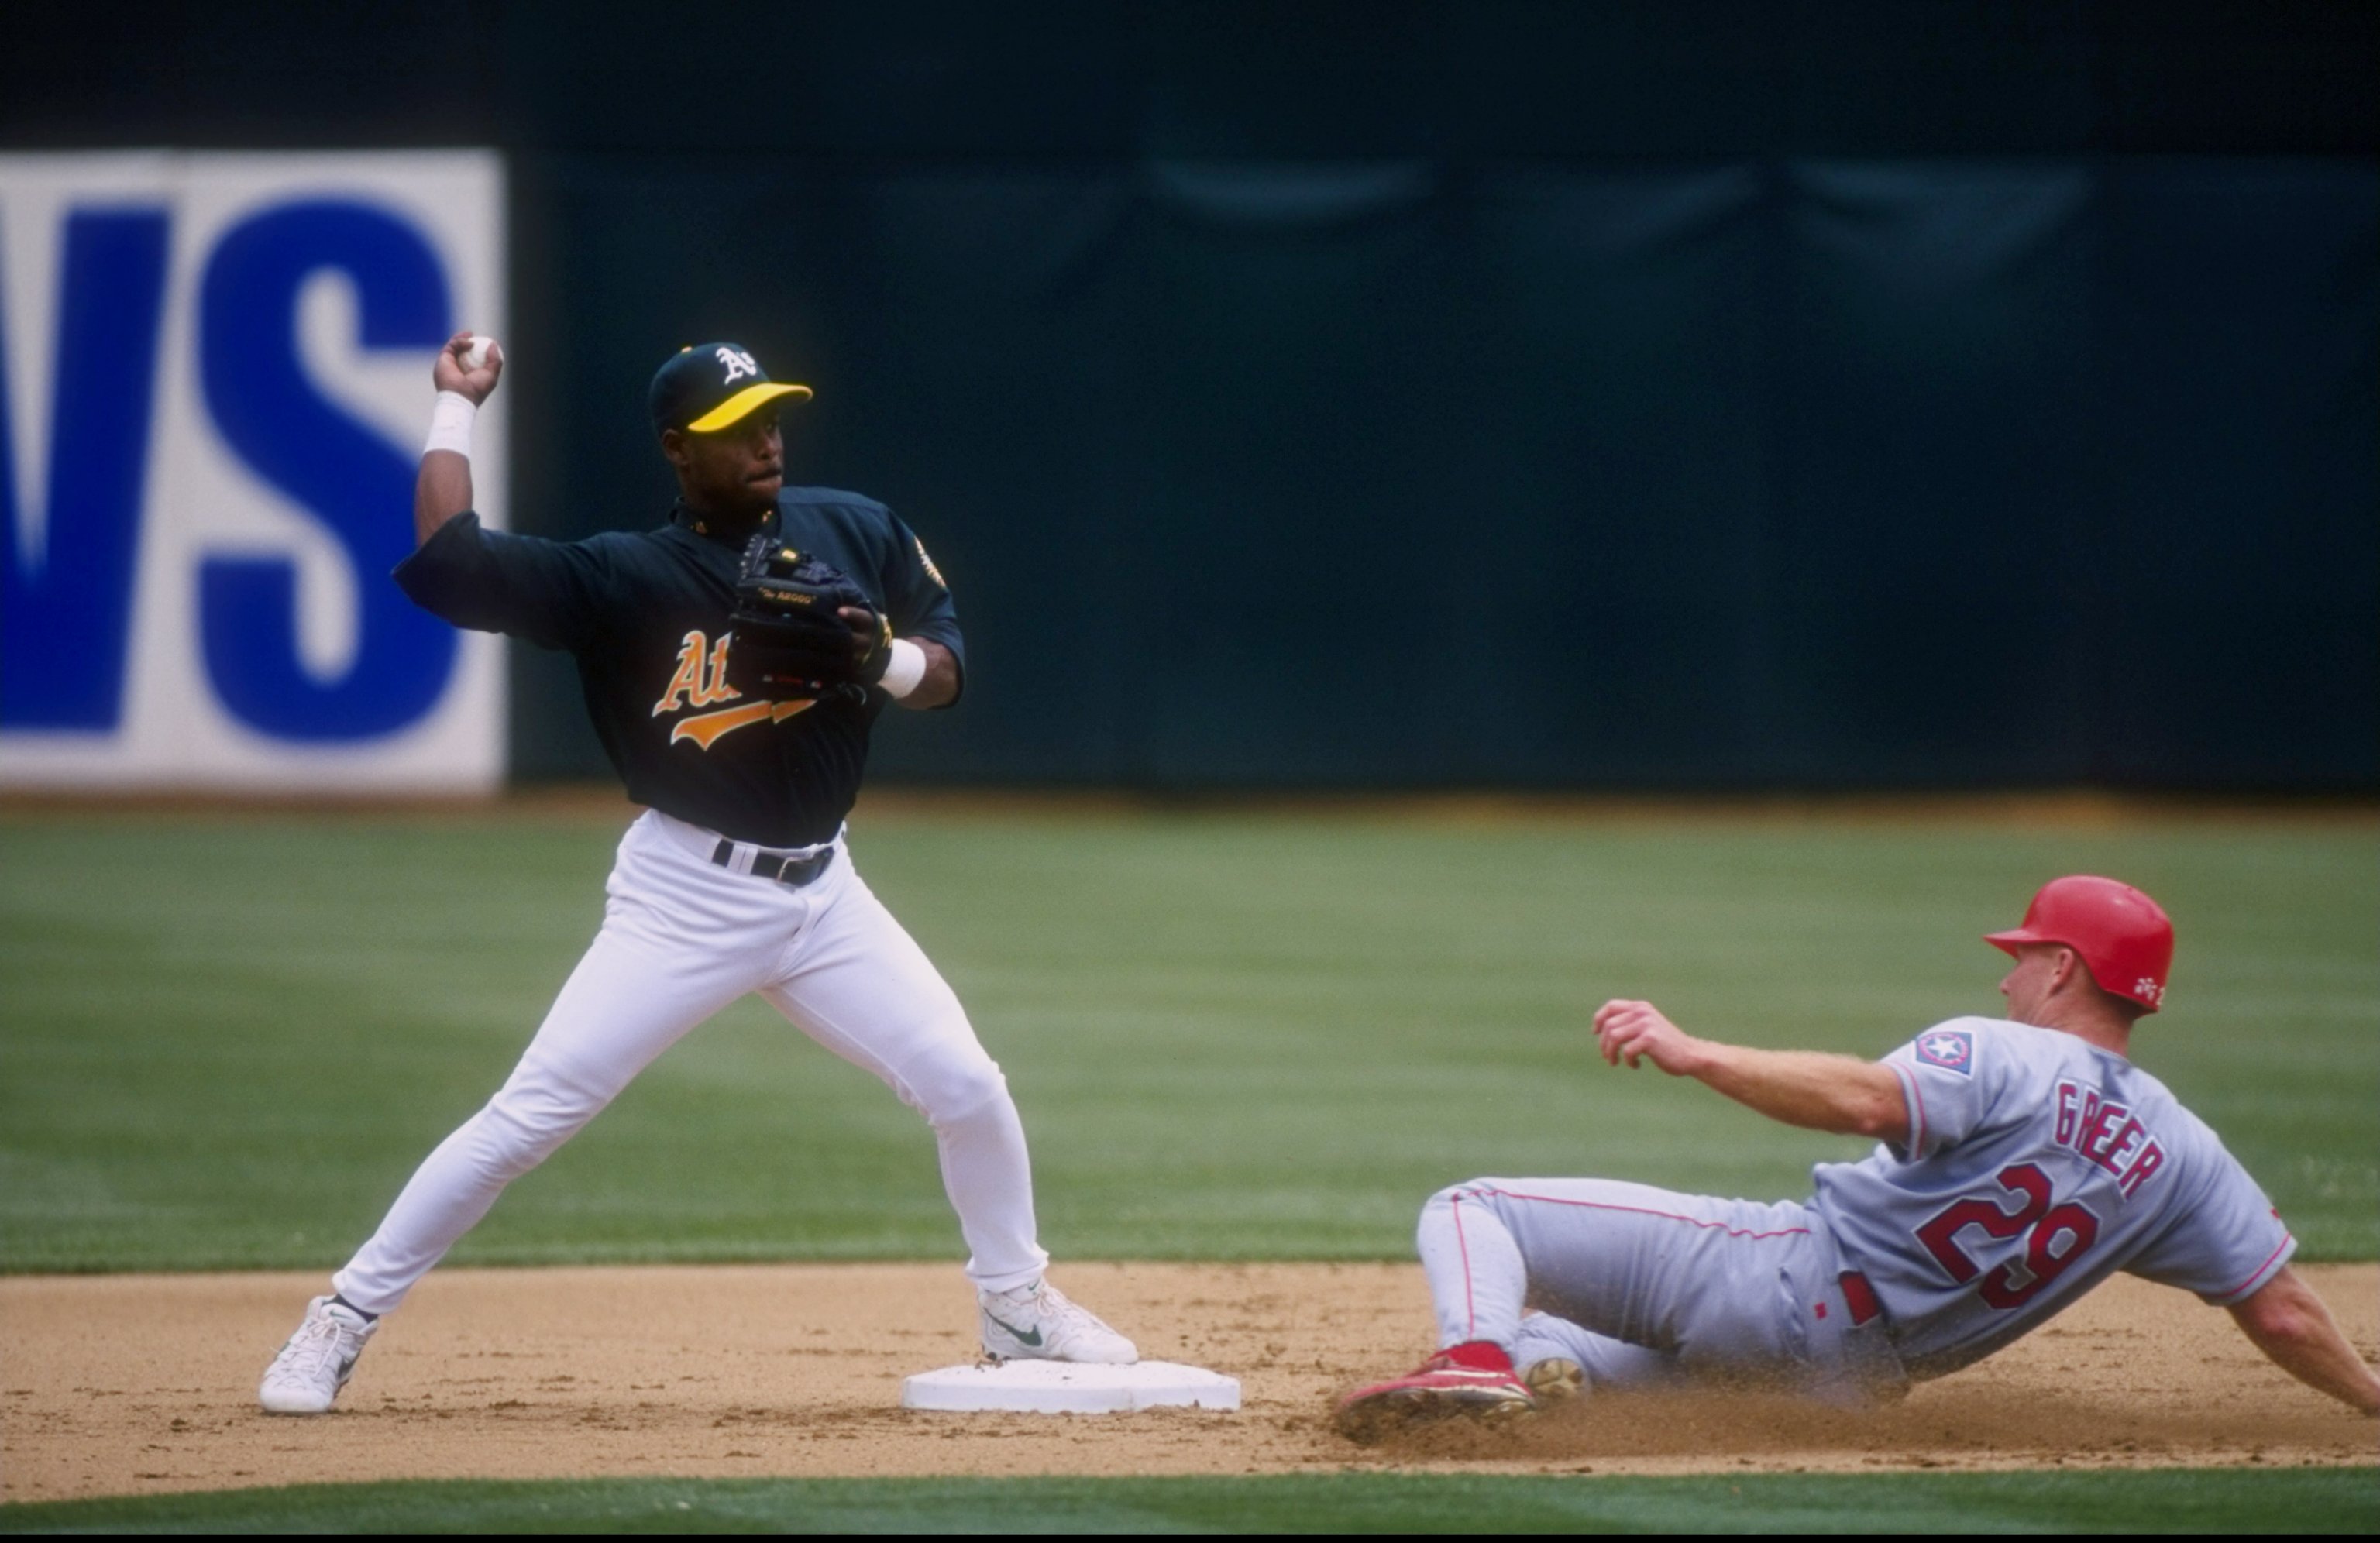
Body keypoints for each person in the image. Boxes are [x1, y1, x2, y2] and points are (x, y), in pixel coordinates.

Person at [260, 334, 1135, 1415]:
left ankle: (1015, 1301)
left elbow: (947, 667)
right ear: (679, 449)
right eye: (734, 428)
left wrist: (881, 658)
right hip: (685, 896)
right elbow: (450, 561)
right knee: (530, 1117)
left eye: (771, 416)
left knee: (968, 1086)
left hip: (825, 895)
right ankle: (341, 1315)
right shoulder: (623, 576)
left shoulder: (852, 527)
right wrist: (454, 405)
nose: (765, 440)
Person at [1334, 875, 2380, 1439]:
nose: (2009, 976)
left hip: (1777, 1281)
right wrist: (2375, 1405)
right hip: (1843, 1389)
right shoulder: (2185, 1155)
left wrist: (1697, 1052)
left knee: (1474, 1209)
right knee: (1549, 1353)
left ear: (2066, 967)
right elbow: (2282, 1311)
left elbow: (1863, 1100)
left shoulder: (2006, 1050)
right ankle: (1512, 1381)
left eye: (2022, 957)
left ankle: (1472, 1358)